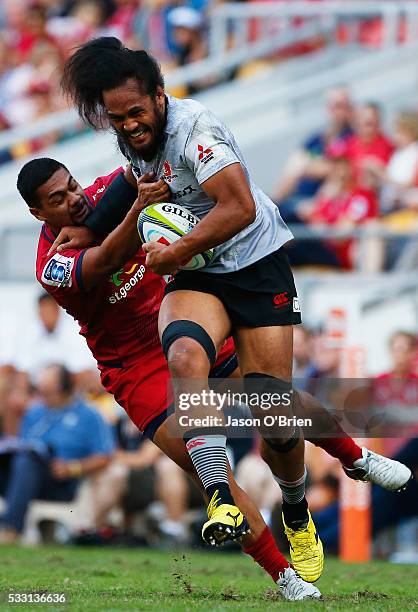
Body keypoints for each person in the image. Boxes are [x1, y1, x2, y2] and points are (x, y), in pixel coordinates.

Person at [17, 158, 411, 598]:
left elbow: (139, 170)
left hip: (185, 320)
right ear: (38, 214)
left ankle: (355, 458)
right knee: (210, 476)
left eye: (72, 186)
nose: (75, 201)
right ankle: (285, 577)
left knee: (273, 400)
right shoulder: (48, 264)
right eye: (58, 200)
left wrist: (142, 180)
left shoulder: (101, 195)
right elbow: (105, 260)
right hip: (135, 365)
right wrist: (137, 209)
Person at [59, 36, 325, 583]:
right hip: (200, 272)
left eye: (135, 113)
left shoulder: (196, 132)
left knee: (273, 415)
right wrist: (89, 227)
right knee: (184, 354)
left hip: (254, 263)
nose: (129, 126)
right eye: (117, 119)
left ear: (160, 97)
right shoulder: (136, 135)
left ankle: (296, 508)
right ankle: (221, 500)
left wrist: (175, 250)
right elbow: (138, 182)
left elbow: (240, 205)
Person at [0, 364, 114, 543]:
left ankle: (11, 530)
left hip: (62, 481)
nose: (44, 397)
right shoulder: (34, 411)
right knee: (23, 458)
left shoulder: (90, 415)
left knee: (26, 461)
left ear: (65, 389)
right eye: (42, 392)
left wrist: (73, 468)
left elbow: (105, 456)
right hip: (25, 475)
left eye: (49, 393)